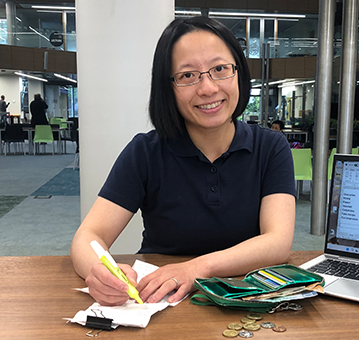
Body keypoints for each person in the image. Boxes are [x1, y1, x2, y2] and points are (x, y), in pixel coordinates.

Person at [70, 16, 296, 307]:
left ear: (238, 72)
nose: (208, 88)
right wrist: (100, 273)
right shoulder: (145, 152)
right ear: (168, 88)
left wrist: (196, 269)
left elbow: (277, 242)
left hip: (245, 300)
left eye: (220, 69)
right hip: (158, 302)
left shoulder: (270, 147)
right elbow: (88, 237)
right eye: (188, 75)